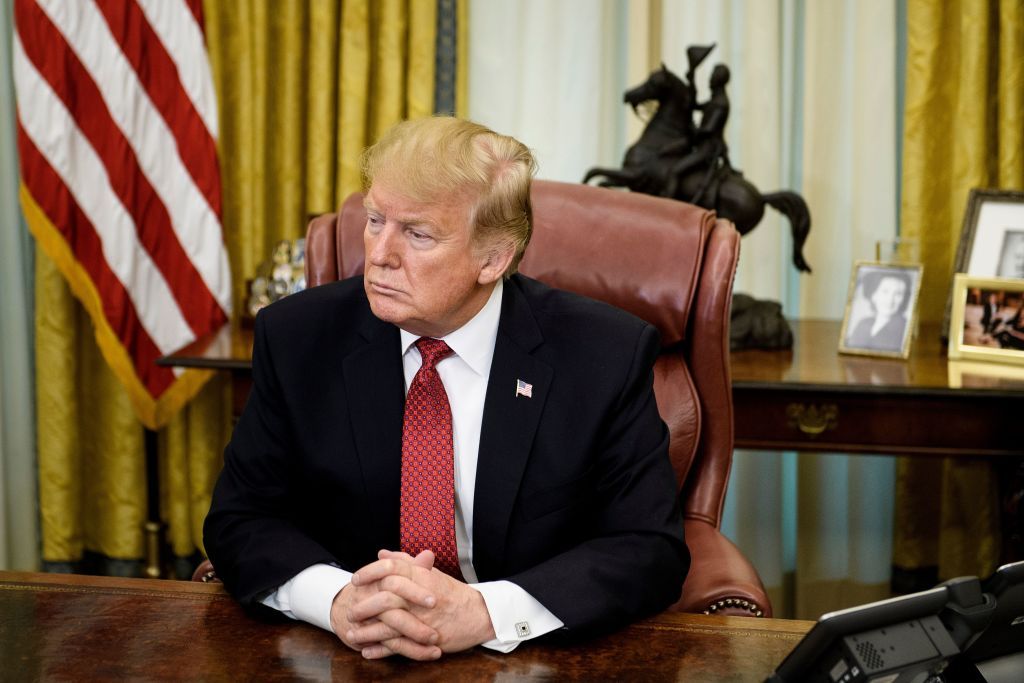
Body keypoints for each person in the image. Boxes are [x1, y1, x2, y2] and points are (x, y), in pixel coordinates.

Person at [204, 117, 689, 661]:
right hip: (347, 656)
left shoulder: (603, 354)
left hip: (528, 657)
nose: (379, 254)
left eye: (417, 234)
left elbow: (648, 549)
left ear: (493, 258)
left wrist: (484, 612)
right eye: (374, 219)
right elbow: (240, 518)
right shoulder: (298, 338)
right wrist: (337, 599)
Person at [846, 270, 912, 352]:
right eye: (885, 292)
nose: (890, 300)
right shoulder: (863, 324)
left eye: (898, 294)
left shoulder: (905, 328)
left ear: (904, 299)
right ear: (874, 295)